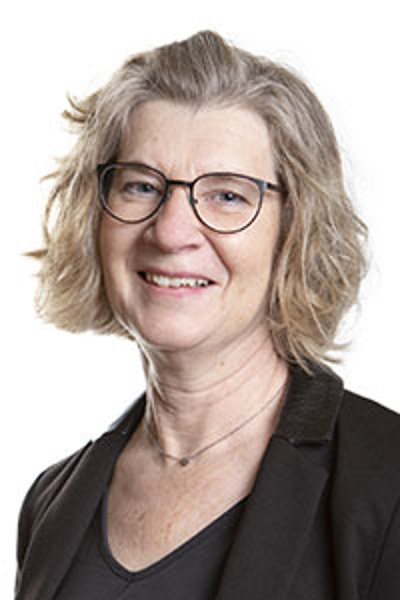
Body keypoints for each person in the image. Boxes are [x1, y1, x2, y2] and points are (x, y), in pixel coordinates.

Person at [15, 30, 400, 600]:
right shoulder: (50, 502)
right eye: (141, 186)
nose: (171, 231)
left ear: (295, 232)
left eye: (227, 196)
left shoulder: (387, 484)